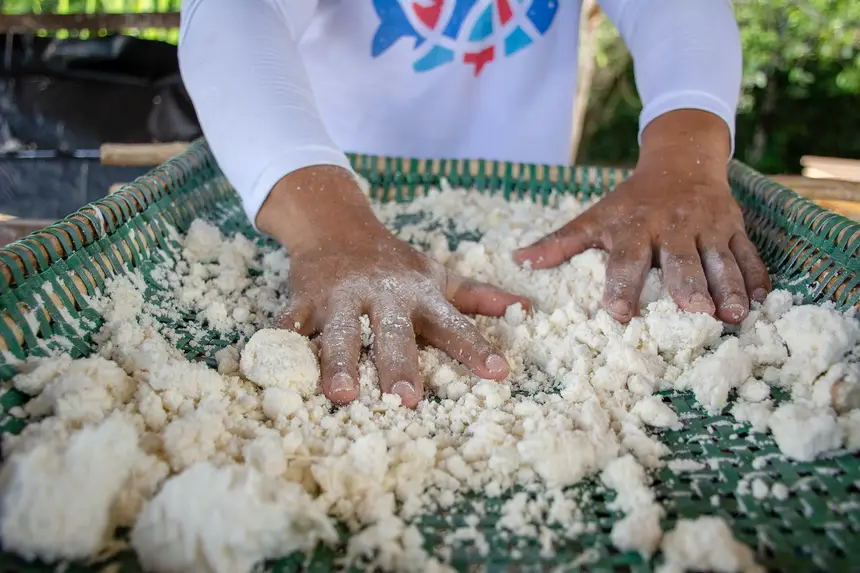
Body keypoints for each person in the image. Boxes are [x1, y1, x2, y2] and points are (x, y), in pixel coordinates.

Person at [178, 0, 771, 409]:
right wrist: (328, 226)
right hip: (329, 182)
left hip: (528, 206)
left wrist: (683, 156)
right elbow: (235, 15)